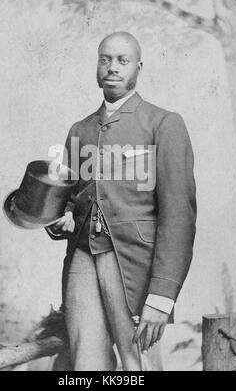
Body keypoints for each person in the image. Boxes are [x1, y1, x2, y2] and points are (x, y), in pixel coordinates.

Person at [46, 31, 197, 371]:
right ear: (97, 66)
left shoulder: (164, 124)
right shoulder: (79, 130)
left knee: (137, 364)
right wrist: (62, 217)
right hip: (83, 256)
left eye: (122, 61)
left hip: (135, 264)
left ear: (138, 68)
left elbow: (179, 218)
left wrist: (162, 297)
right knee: (86, 362)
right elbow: (69, 200)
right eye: (105, 59)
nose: (112, 68)